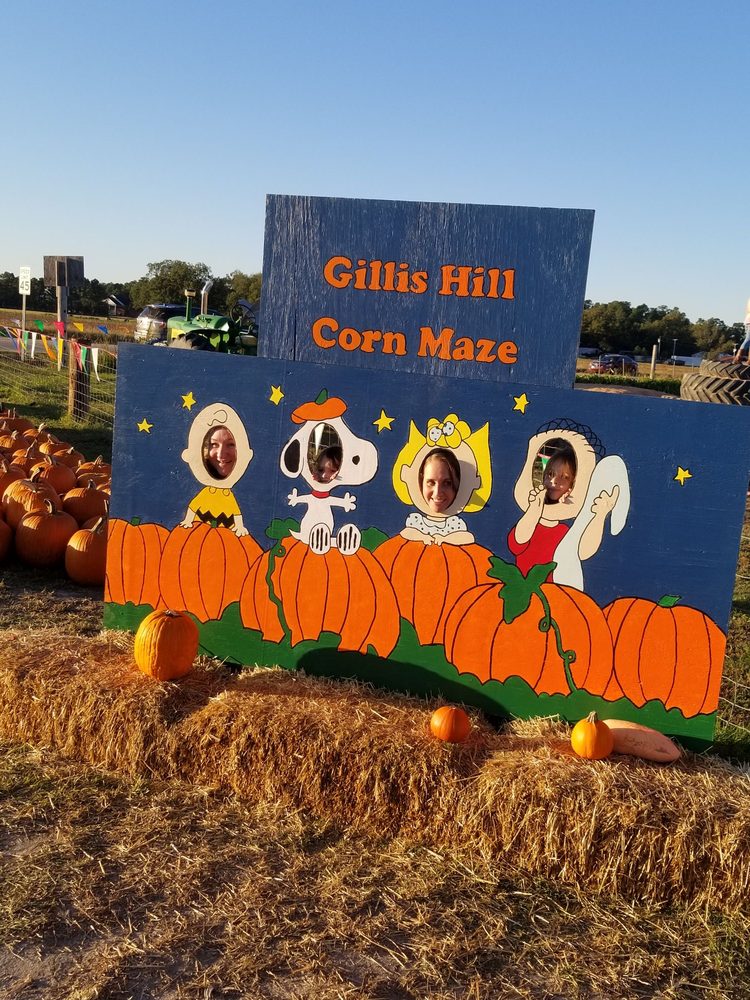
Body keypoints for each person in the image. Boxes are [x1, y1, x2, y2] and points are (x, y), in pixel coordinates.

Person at [508, 446, 578, 578]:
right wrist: (535, 509)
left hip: (555, 589)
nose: (553, 481)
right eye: (550, 474)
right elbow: (516, 544)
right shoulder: (530, 520)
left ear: (572, 485)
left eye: (564, 477)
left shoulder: (565, 531)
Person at [401, 447, 476, 546]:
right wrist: (423, 537)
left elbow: (468, 537)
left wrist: (444, 539)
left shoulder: (454, 524)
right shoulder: (417, 521)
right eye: (431, 482)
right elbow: (406, 532)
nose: (437, 493)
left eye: (447, 483)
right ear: (421, 481)